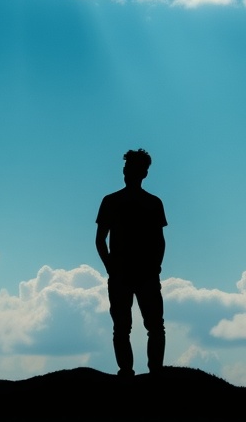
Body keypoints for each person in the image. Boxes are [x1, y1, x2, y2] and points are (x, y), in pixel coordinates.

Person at [96, 149, 167, 376]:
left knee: (150, 326)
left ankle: (150, 371)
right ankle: (129, 371)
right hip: (127, 274)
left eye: (132, 168)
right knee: (127, 327)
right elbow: (100, 240)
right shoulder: (112, 201)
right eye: (126, 168)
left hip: (141, 274)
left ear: (143, 173)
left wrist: (155, 266)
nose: (127, 172)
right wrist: (110, 267)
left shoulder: (152, 203)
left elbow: (159, 240)